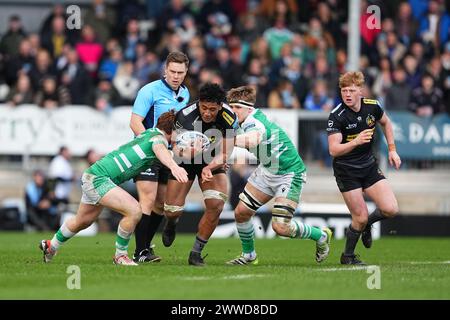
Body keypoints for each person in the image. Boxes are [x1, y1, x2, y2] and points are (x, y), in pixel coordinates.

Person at [39, 111, 188, 266]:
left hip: (94, 175)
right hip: (100, 179)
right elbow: (160, 149)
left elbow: (169, 153)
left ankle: (51, 246)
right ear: (172, 129)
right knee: (134, 210)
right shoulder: (159, 139)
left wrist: (191, 153)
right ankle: (120, 256)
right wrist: (174, 167)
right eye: (179, 131)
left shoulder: (150, 132)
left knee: (83, 220)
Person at [225, 86, 332, 266]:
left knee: (280, 227)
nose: (233, 112)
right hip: (268, 170)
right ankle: (249, 255)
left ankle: (320, 235)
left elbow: (252, 140)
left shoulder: (254, 122)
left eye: (238, 108)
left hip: (289, 173)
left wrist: (225, 140)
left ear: (249, 108)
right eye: (232, 108)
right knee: (241, 213)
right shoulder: (242, 121)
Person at [326, 71, 401, 265]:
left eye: (351, 90)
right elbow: (333, 149)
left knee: (391, 209)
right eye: (344, 90)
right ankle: (348, 256)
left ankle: (367, 225)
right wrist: (355, 142)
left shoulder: (372, 107)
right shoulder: (337, 115)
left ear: (361, 90)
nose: (347, 94)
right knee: (359, 217)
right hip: (346, 170)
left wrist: (392, 150)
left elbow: (386, 122)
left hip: (368, 165)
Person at [162, 82, 237, 266]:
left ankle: (196, 253)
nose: (207, 113)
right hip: (185, 161)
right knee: (172, 210)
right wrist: (188, 153)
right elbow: (176, 150)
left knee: (216, 204)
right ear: (199, 103)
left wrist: (209, 167)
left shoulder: (229, 116)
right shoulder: (185, 116)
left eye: (212, 109)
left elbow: (226, 153)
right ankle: (171, 223)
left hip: (211, 160)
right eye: (204, 107)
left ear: (220, 106)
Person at [130, 51, 190, 263]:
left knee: (161, 204)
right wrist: (151, 143)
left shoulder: (185, 94)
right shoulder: (149, 90)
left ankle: (145, 246)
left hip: (168, 154)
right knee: (147, 200)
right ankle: (140, 252)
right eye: (172, 71)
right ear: (165, 70)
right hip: (148, 153)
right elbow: (135, 122)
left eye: (180, 72)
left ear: (186, 72)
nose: (175, 76)